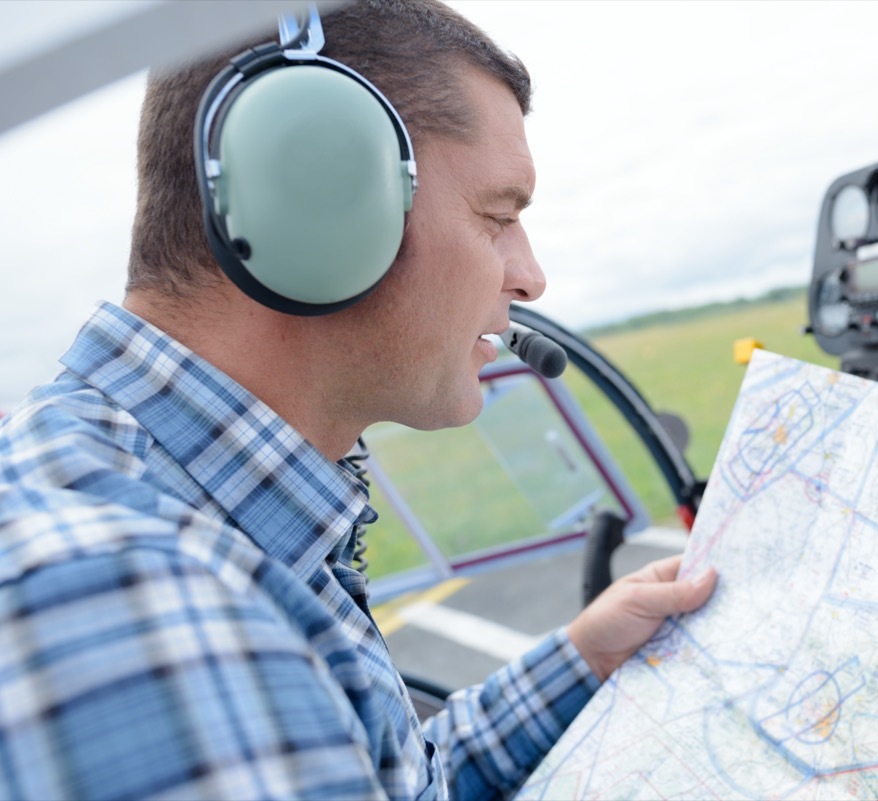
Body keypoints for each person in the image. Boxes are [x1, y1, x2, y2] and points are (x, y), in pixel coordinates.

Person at [0, 1, 716, 798]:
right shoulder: (140, 613)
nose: (529, 275)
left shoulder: (193, 521)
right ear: (317, 200)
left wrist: (584, 658)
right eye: (498, 217)